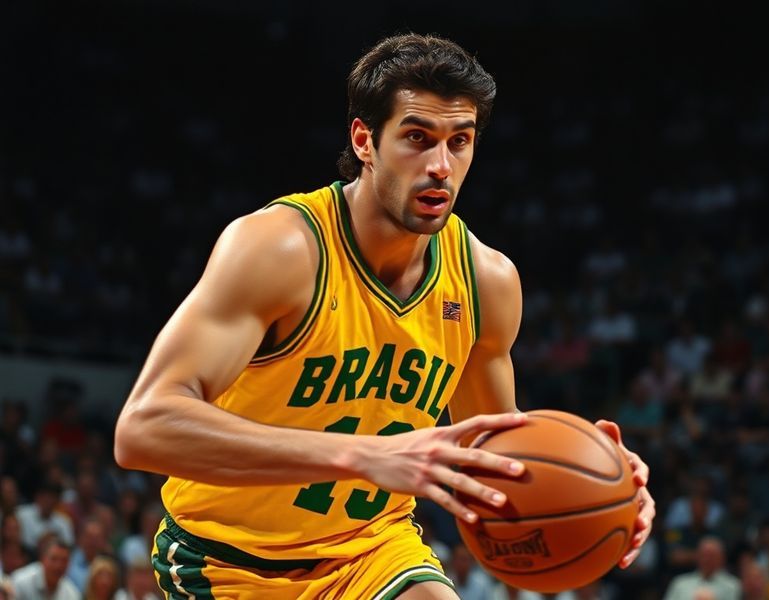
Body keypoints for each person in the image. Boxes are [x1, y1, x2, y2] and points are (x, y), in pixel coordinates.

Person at [114, 32, 655, 599]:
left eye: (460, 141)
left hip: (374, 551)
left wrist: (598, 483)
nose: (441, 166)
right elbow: (145, 427)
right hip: (227, 560)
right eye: (417, 139)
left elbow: (490, 457)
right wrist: (366, 456)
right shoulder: (281, 249)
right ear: (365, 140)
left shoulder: (486, 282)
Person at [663, 536, 741, 600]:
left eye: (711, 556)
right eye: (704, 555)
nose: (707, 559)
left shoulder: (733, 586)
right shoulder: (679, 583)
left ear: (721, 558)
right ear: (697, 556)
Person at [9, 537, 80, 600]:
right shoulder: (20, 582)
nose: (58, 566)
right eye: (54, 559)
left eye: (64, 560)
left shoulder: (72, 594)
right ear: (42, 559)